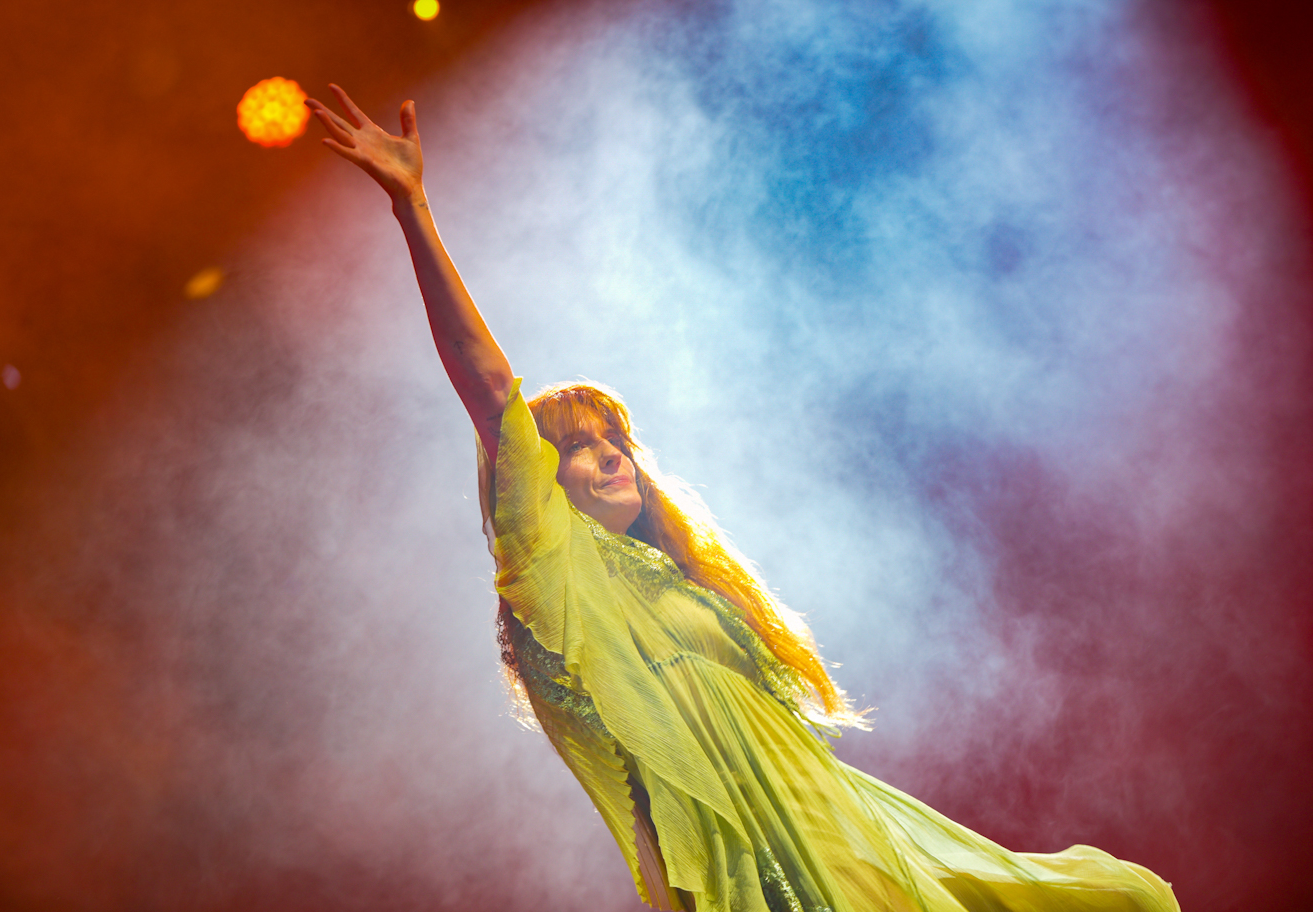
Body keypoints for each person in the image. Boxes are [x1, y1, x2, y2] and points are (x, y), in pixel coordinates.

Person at [305, 85, 1182, 912]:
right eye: (576, 448)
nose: (610, 456)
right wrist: (412, 210)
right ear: (534, 487)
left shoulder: (681, 580)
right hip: (759, 859)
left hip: (845, 823)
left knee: (1120, 896)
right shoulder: (553, 570)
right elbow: (492, 389)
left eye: (616, 442)